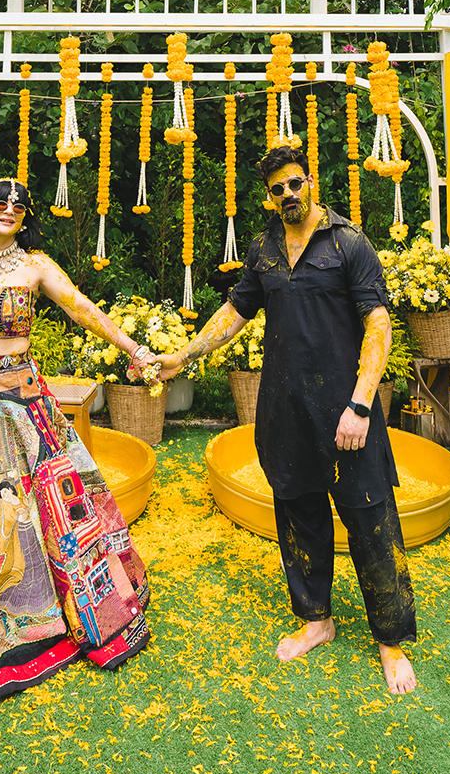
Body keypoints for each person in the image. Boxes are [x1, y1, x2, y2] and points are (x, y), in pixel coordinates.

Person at [161, 145, 418, 693]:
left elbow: (378, 324)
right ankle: (316, 620)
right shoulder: (263, 250)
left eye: (295, 183)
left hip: (347, 411)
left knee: (372, 520)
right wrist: (184, 355)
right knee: (299, 515)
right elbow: (235, 311)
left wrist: (360, 403)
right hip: (285, 409)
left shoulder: (349, 243)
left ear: (311, 181)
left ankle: (390, 642)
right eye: (278, 189)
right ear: (269, 197)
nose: (288, 194)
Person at [0, 177, 159, 701]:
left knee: (46, 500)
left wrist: (133, 349)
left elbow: (82, 308)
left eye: (19, 205)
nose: (9, 210)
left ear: (25, 216)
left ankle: (41, 617)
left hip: (19, 388)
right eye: (0, 202)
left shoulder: (37, 266)